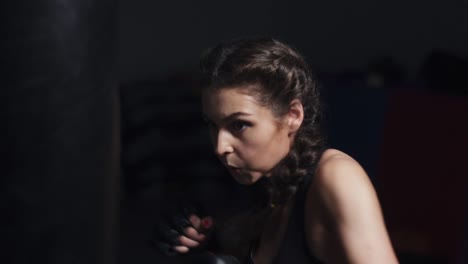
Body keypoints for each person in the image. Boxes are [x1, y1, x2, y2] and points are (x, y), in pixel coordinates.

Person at [154, 37, 398, 264]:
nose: (220, 147)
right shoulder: (265, 193)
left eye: (239, 125)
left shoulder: (336, 176)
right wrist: (203, 242)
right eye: (213, 125)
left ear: (293, 116)